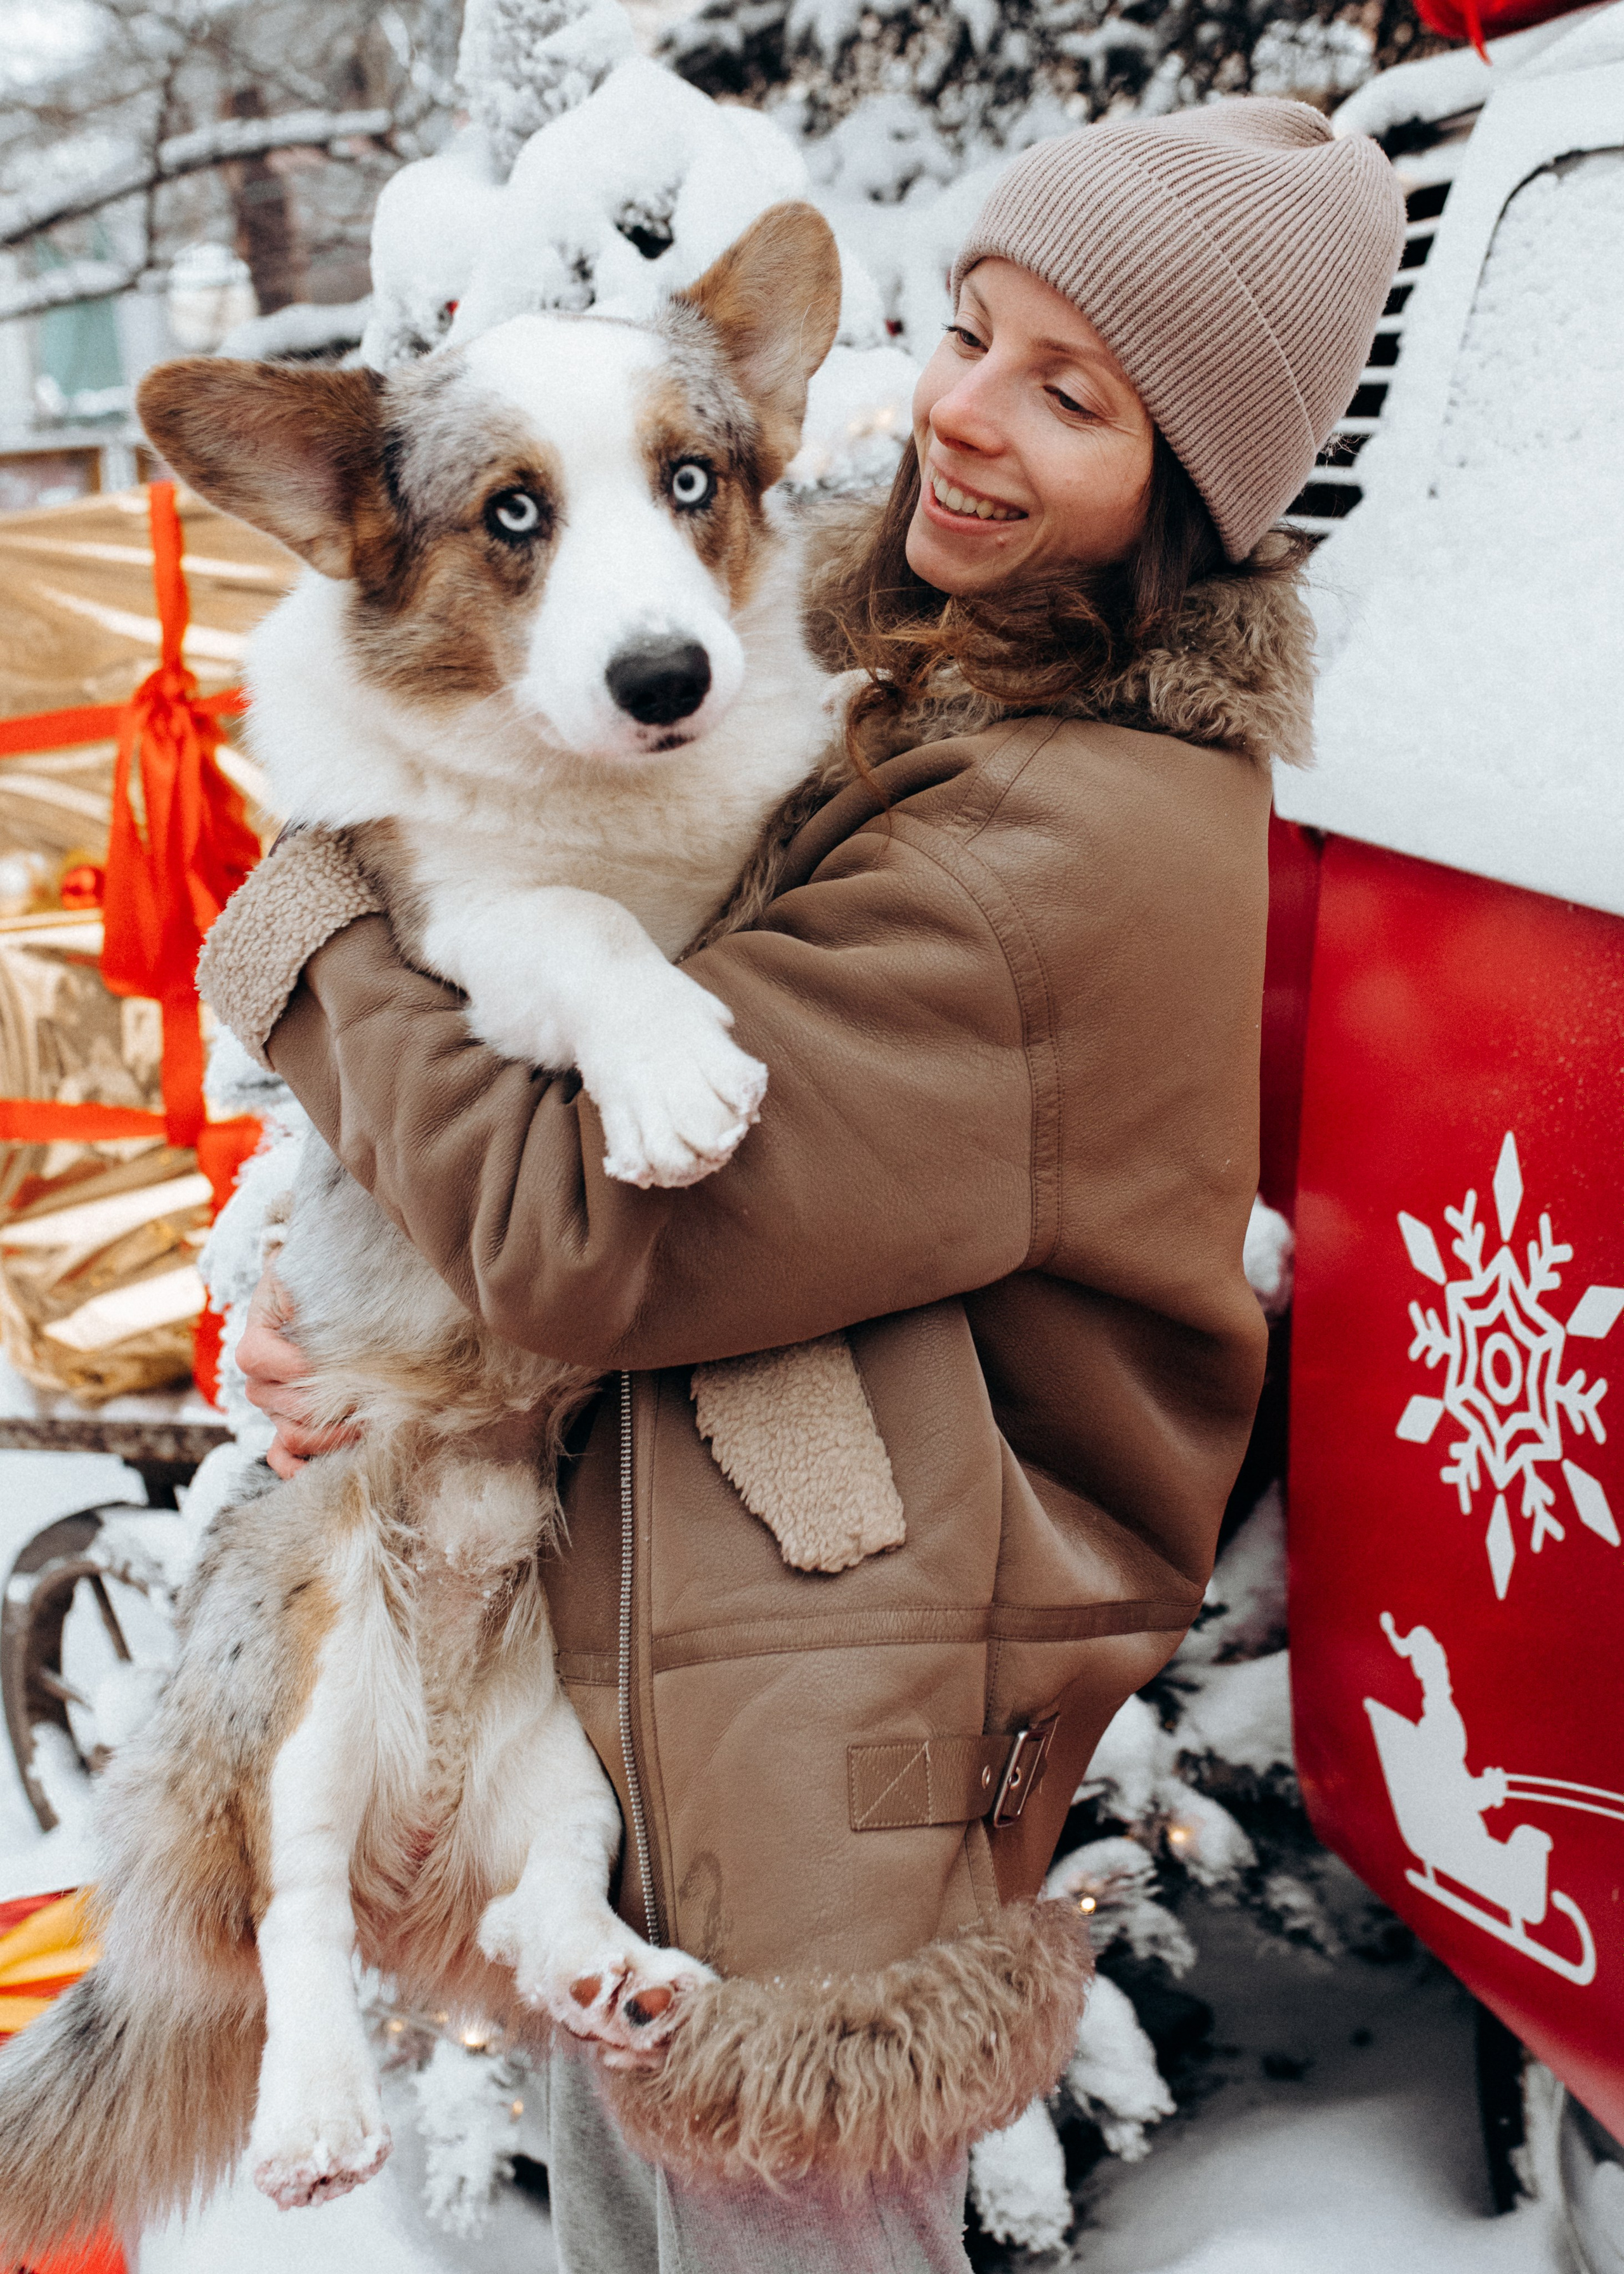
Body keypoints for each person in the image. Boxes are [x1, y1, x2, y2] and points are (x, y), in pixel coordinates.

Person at [209, 97, 1403, 2274]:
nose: (958, 414)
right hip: (674, 1671)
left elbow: (587, 1239)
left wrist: (301, 946)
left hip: (815, 1778)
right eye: (968, 332)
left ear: (1195, 482)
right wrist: (369, 1330)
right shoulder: (885, 689)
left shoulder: (1050, 844)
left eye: (1072, 391)